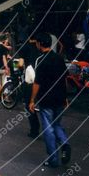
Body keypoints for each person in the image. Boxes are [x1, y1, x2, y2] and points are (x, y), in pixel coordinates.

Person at [28, 32, 70, 167]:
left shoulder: (40, 60)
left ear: (40, 44)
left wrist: (32, 100)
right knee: (57, 124)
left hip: (46, 99)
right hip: (60, 98)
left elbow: (37, 83)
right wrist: (66, 97)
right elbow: (65, 79)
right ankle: (65, 144)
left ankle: (53, 159)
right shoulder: (59, 58)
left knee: (48, 128)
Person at [17, 35, 42, 138]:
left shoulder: (25, 47)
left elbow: (20, 63)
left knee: (28, 105)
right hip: (42, 78)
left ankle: (34, 129)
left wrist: (20, 66)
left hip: (30, 80)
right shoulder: (40, 47)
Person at [0, 35, 12, 103]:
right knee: (6, 84)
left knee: (0, 83)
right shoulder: (3, 48)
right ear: (3, 41)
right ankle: (6, 98)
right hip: (3, 68)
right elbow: (3, 59)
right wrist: (7, 68)